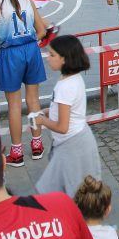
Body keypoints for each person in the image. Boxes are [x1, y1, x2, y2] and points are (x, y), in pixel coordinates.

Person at [0, 0, 48, 166]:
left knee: (14, 104)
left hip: (9, 53)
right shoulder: (27, 2)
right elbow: (41, 30)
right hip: (30, 49)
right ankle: (37, 143)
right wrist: (30, 41)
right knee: (33, 101)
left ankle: (17, 150)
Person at [34, 36, 102, 196]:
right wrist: (49, 111)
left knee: (59, 191)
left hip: (71, 144)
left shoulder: (65, 86)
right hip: (78, 139)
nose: (48, 58)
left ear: (64, 59)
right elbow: (69, 111)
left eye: (52, 55)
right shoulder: (73, 79)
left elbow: (62, 127)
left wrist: (41, 120)